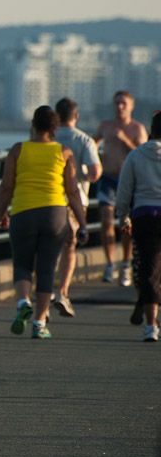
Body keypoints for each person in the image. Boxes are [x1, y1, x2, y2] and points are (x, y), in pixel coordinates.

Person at [0, 105, 88, 339]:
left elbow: (7, 186)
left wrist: (1, 213)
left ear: (33, 125)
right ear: (54, 127)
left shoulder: (18, 150)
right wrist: (82, 223)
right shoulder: (65, 152)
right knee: (47, 269)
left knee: (22, 264)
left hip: (24, 212)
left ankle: (23, 302)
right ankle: (39, 323)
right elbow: (73, 192)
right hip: (55, 214)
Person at [52, 97, 102, 317]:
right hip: (76, 200)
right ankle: (62, 292)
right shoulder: (84, 140)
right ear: (76, 115)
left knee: (46, 249)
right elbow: (95, 173)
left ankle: (43, 291)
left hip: (49, 199)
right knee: (69, 248)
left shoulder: (47, 137)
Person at [115, 111, 161, 341]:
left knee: (148, 268)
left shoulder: (136, 155)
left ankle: (150, 326)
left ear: (152, 130)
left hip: (144, 215)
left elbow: (124, 189)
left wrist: (123, 215)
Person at [94, 91, 148, 286]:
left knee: (126, 225)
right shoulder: (106, 126)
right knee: (106, 219)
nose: (120, 107)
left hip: (128, 181)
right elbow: (93, 144)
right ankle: (110, 264)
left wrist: (124, 139)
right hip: (107, 179)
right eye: (117, 103)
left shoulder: (137, 128)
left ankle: (125, 264)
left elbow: (142, 154)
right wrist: (96, 159)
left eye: (124, 103)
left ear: (131, 106)